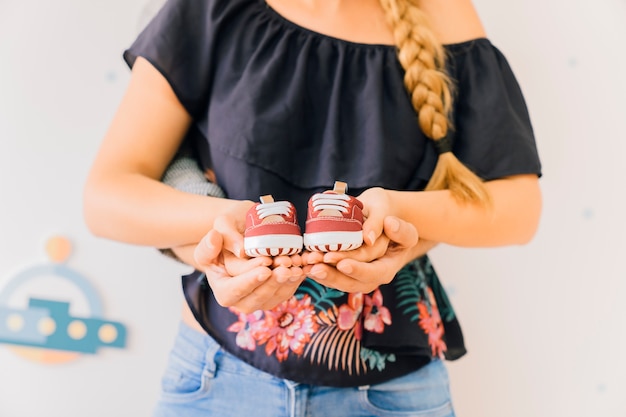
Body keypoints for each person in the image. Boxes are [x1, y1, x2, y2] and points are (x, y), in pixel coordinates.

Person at [83, 0, 542, 415]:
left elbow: (517, 209)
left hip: (392, 394)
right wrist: (231, 229)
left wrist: (394, 216)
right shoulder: (211, 8)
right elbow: (108, 196)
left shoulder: (443, 12)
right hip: (218, 379)